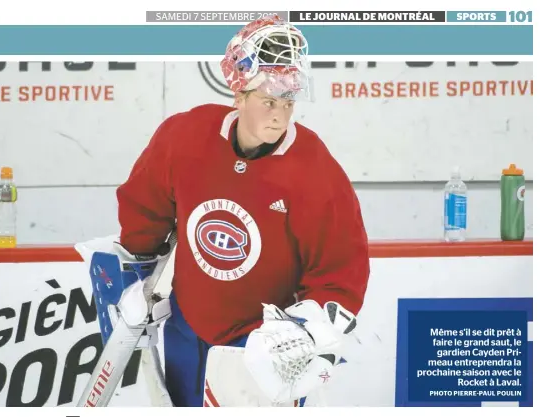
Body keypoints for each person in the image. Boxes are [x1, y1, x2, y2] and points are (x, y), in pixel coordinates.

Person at [115, 15, 370, 407]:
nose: (279, 116)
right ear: (239, 96)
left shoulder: (315, 169)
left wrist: (308, 328)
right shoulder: (186, 137)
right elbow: (144, 206)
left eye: (288, 103)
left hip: (260, 348)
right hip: (187, 328)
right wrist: (135, 270)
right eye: (268, 101)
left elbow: (340, 270)